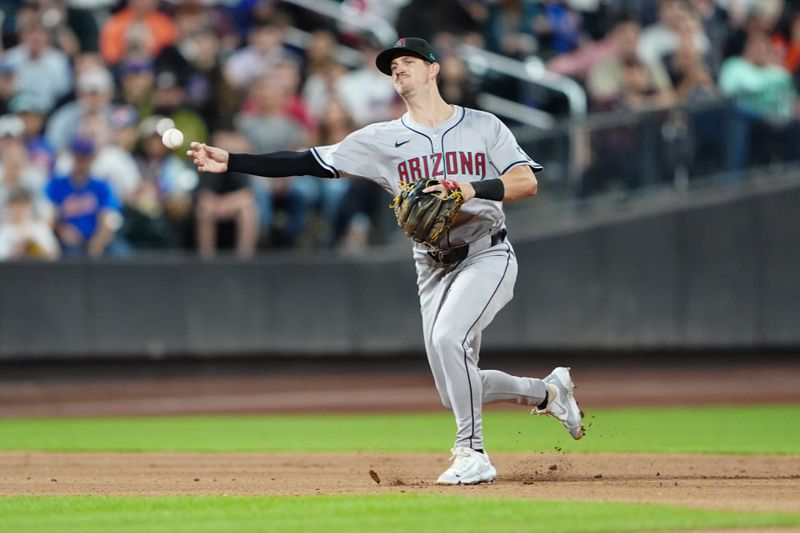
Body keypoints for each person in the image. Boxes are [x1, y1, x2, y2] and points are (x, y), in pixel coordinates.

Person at [187, 37, 584, 485]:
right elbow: (307, 162)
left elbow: (525, 182)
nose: (398, 69)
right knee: (454, 388)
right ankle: (549, 392)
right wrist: (234, 160)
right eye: (391, 65)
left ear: (434, 70)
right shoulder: (380, 139)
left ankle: (472, 452)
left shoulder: (484, 125)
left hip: (486, 251)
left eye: (408, 61)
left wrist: (471, 189)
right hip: (431, 265)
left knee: (449, 339)